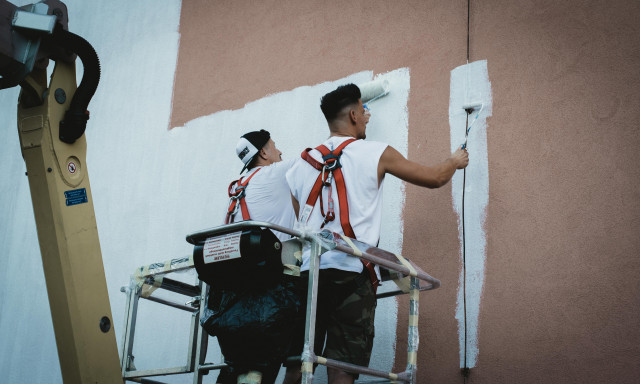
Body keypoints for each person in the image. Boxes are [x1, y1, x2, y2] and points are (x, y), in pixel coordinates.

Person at [283, 84, 469, 384]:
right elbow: (435, 178)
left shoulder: (299, 165)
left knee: (297, 363)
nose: (368, 117)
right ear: (354, 114)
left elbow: (302, 224)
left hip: (310, 275)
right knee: (343, 367)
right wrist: (454, 162)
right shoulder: (377, 152)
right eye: (364, 111)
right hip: (352, 274)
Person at [203, 130, 299, 384]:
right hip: (268, 288)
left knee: (239, 364)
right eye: (275, 147)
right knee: (262, 364)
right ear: (264, 153)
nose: (280, 152)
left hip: (233, 293)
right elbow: (319, 157)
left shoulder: (238, 186)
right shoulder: (274, 173)